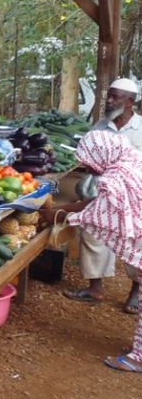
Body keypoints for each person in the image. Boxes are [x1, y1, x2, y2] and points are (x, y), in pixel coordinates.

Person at [40, 131, 142, 372]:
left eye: (89, 163)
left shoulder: (117, 179)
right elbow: (94, 203)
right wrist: (63, 210)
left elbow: (95, 215)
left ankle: (138, 358)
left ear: (101, 154)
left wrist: (58, 214)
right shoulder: (129, 162)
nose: (88, 168)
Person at [59, 79, 142, 314]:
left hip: (134, 199)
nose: (110, 101)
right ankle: (95, 287)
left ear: (130, 102)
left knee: (136, 242)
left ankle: (135, 292)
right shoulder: (100, 127)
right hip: (104, 193)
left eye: (116, 97)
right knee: (92, 232)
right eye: (109, 96)